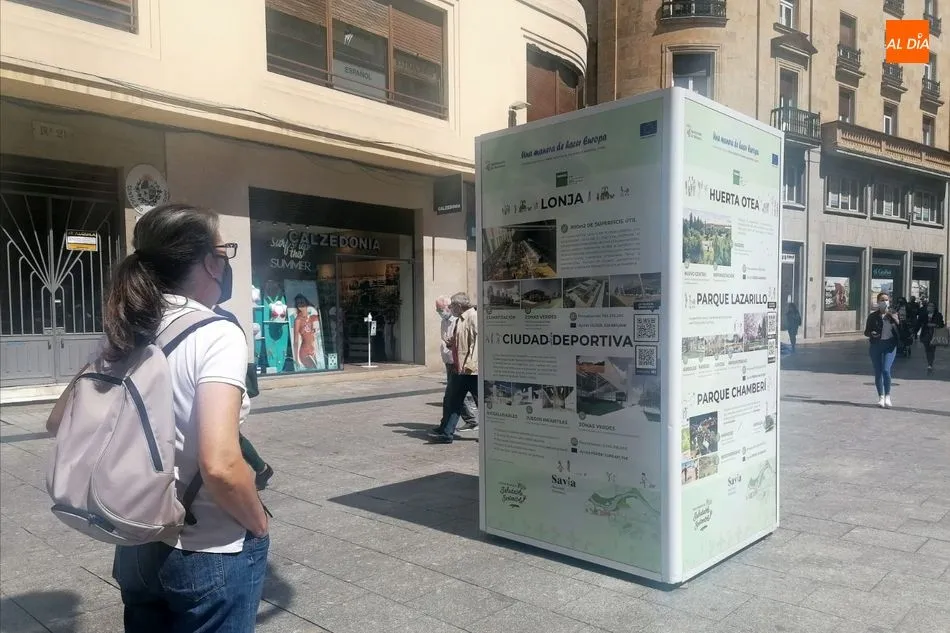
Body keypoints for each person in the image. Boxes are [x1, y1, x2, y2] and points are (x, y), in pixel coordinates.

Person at [105, 204, 269, 632]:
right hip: (207, 547)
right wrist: (258, 524)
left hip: (136, 539)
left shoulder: (129, 327)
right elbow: (221, 464)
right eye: (225, 251)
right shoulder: (216, 333)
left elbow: (65, 422)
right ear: (209, 262)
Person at [212, 304, 275, 491]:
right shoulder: (211, 317)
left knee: (226, 434)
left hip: (225, 385)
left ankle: (258, 470)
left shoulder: (223, 319)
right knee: (227, 434)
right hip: (215, 385)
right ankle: (261, 469)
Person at [429, 292, 478, 444]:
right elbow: (464, 341)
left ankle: (488, 432)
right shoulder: (461, 319)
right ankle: (447, 433)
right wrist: (453, 343)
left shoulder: (473, 317)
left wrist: (471, 363)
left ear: (459, 305)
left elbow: (477, 342)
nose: (451, 309)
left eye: (452, 306)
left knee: (482, 402)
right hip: (459, 368)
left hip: (471, 370)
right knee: (453, 400)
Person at [864, 292, 900, 408]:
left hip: (890, 345)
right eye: (882, 300)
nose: (884, 302)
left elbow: (900, 328)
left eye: (886, 300)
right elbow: (866, 332)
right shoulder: (872, 316)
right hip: (876, 345)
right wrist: (872, 334)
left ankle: (888, 396)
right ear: (878, 302)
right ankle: (881, 397)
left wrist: (894, 318)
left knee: (886, 370)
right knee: (878, 371)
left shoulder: (893, 314)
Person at [292, 293, 322, 369]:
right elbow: (296, 341)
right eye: (298, 303)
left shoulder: (312, 317)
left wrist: (312, 305)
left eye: (302, 302)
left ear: (306, 302)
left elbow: (320, 316)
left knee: (318, 370)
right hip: (304, 352)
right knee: (314, 369)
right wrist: (296, 359)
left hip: (313, 351)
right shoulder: (298, 320)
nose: (300, 304)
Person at [917, 302, 946, 375]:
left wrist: (934, 325)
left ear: (934, 308)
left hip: (934, 335)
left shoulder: (938, 315)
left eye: (932, 306)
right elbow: (919, 324)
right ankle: (929, 363)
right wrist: (914, 332)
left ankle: (930, 364)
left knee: (932, 350)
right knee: (927, 350)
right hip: (925, 334)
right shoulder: (923, 315)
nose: (930, 307)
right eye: (929, 306)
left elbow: (941, 324)